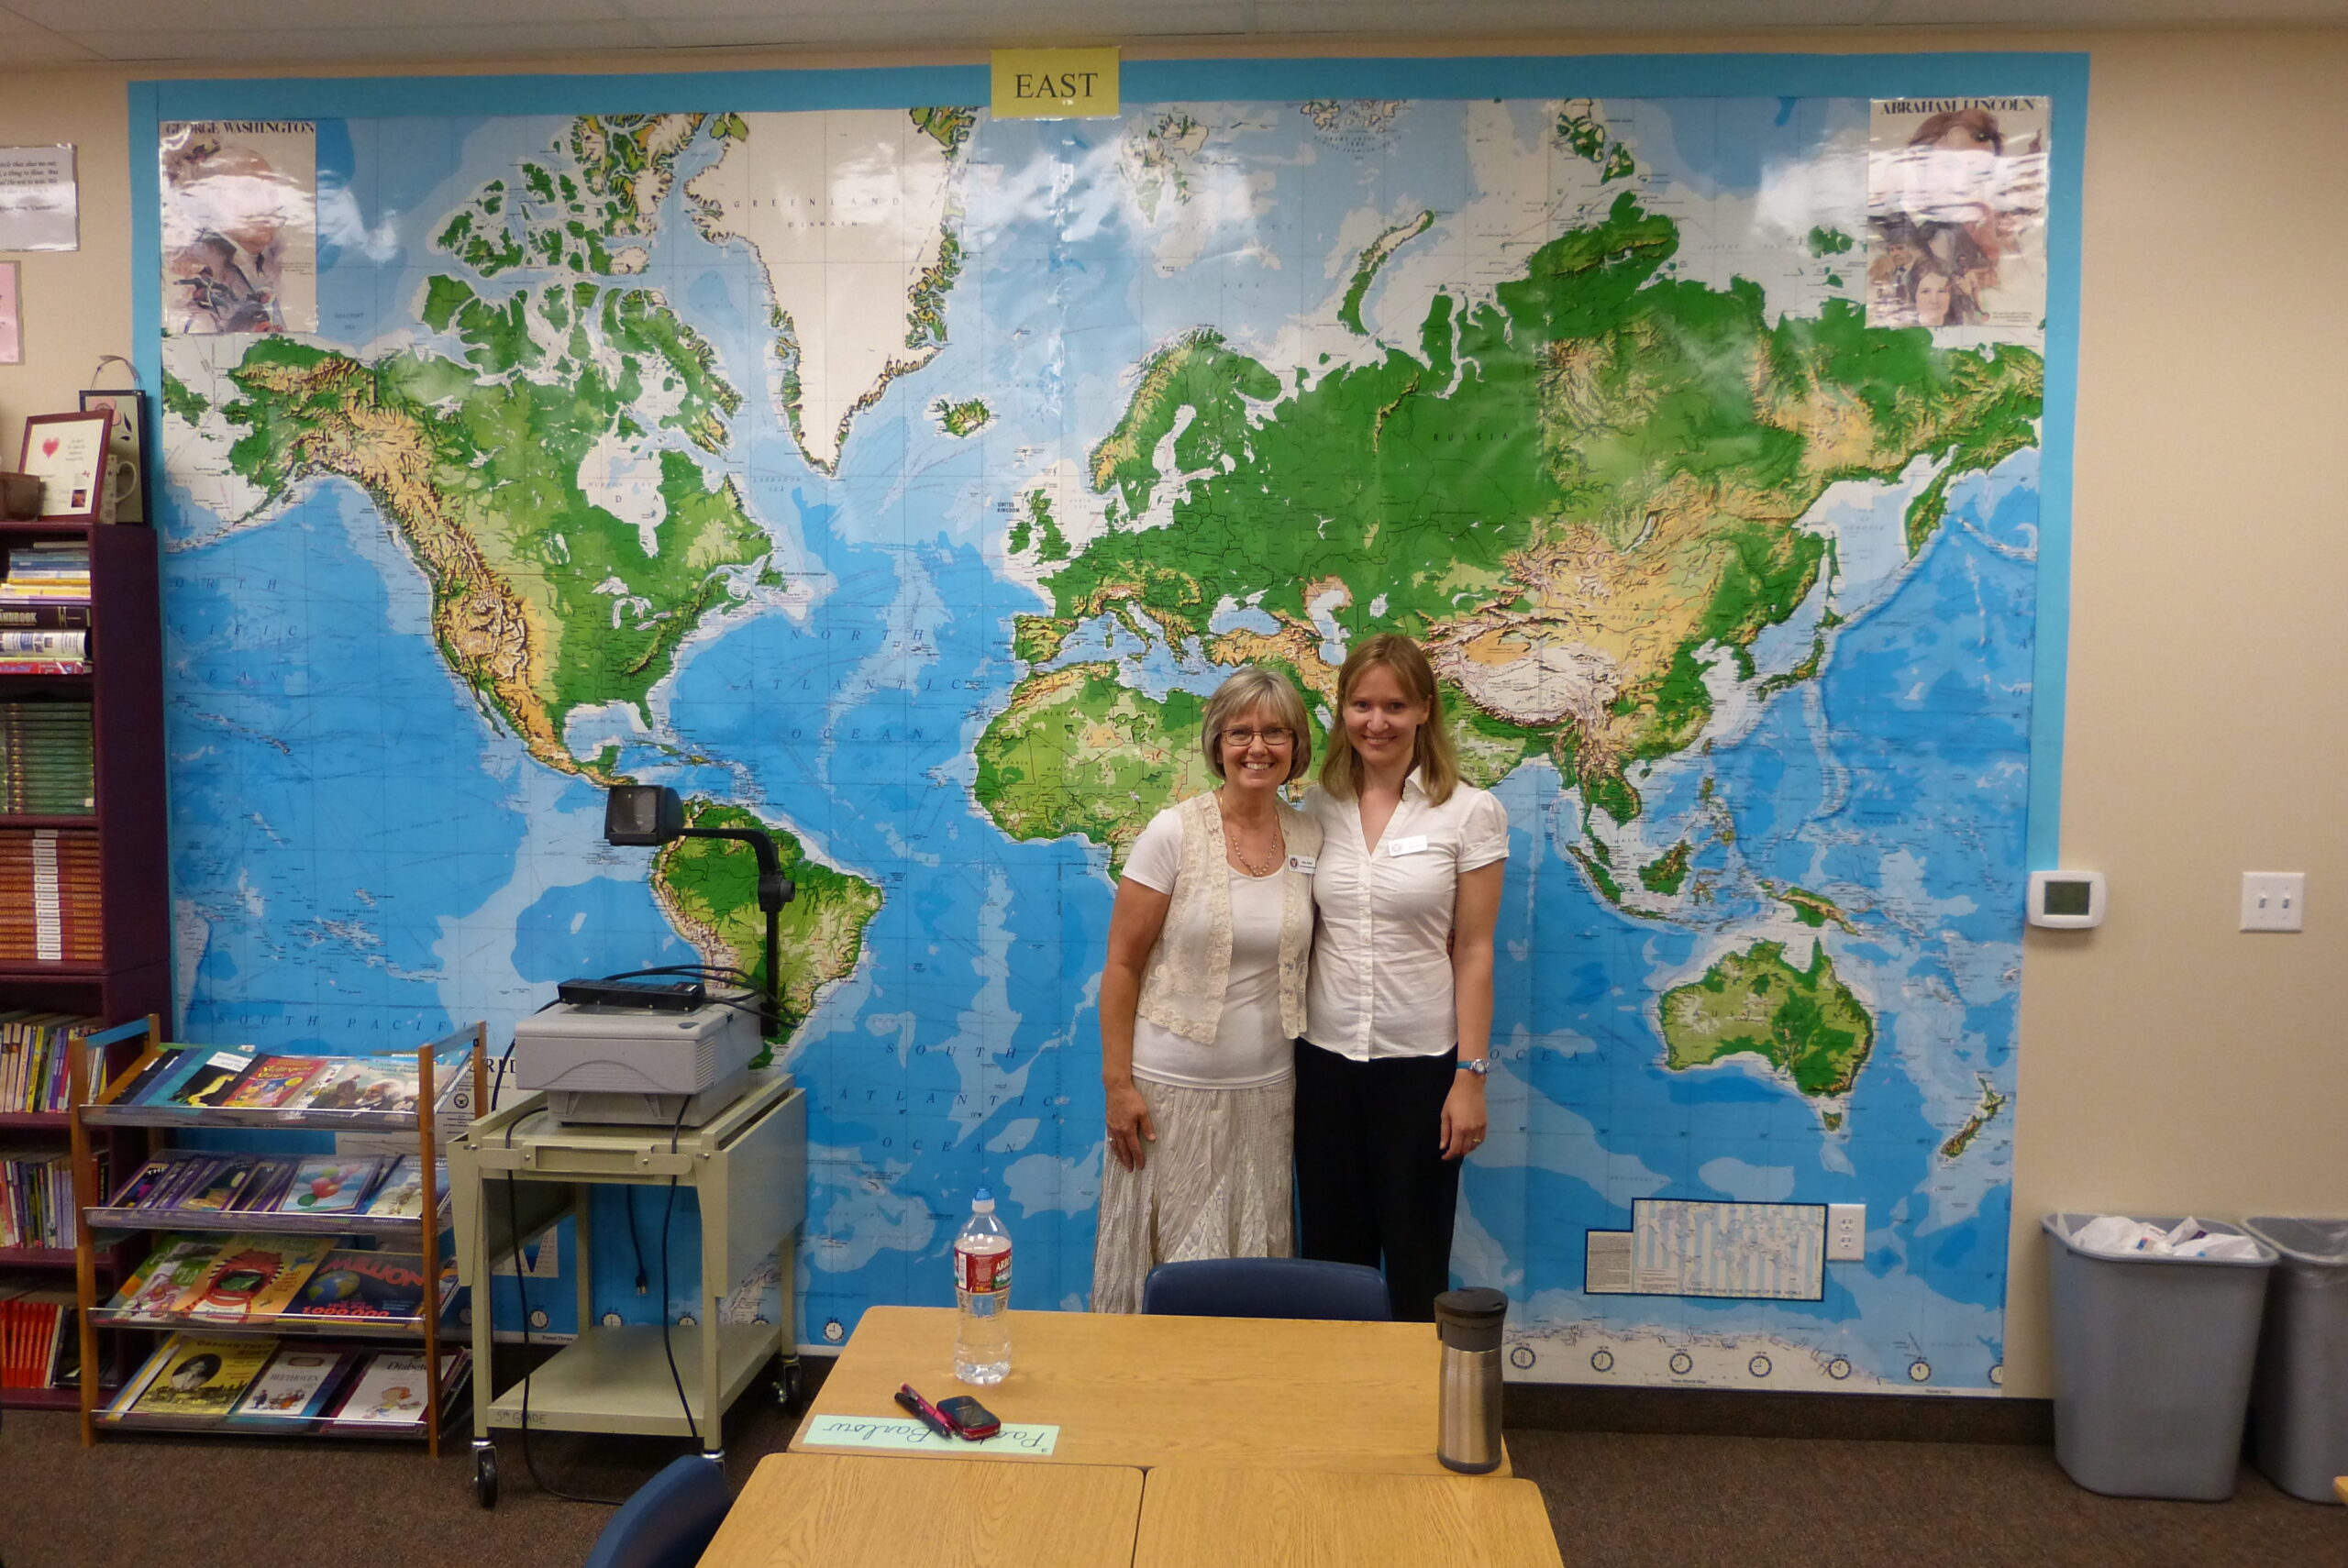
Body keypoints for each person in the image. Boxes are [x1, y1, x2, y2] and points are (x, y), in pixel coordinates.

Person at [1091, 665, 1324, 1314]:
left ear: (1296, 746)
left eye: (1275, 733)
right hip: (1168, 1097)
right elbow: (1122, 965)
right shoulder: (1173, 833)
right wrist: (1118, 1087)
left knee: (1251, 1274)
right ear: (1218, 744)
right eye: (1239, 732)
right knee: (1165, 1267)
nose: (1257, 748)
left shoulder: (1309, 835)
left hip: (1268, 1095)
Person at [1296, 634, 1507, 1322]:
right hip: (1323, 1066)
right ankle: (1336, 1393)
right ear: (1342, 710)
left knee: (1417, 1264)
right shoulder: (1315, 806)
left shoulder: (1469, 811)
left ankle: (1415, 1392)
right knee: (1331, 1264)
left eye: (1394, 705)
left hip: (1421, 1070)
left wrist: (1470, 1078)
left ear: (1424, 709)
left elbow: (1474, 950)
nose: (1376, 722)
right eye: (1361, 704)